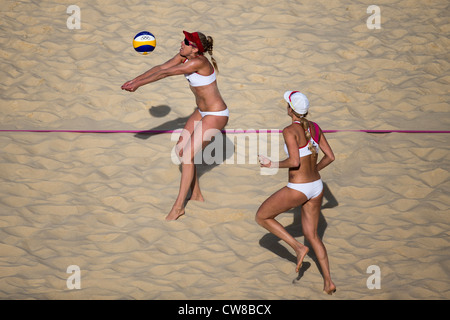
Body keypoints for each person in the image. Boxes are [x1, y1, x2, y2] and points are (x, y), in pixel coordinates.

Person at [122, 31, 228, 220]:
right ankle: (196, 194)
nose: (182, 42)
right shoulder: (184, 56)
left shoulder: (199, 62)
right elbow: (160, 67)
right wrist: (135, 80)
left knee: (188, 155)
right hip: (201, 111)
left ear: (195, 49)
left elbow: (165, 74)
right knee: (181, 151)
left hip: (216, 114)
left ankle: (178, 207)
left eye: (186, 42)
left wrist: (139, 85)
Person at [256, 91, 336, 294]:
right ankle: (329, 282)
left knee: (262, 216)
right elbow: (330, 156)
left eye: (287, 104)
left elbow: (294, 161)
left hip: (299, 188)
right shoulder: (315, 127)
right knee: (313, 236)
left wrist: (271, 164)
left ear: (291, 109)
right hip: (316, 187)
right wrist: (313, 171)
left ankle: (298, 247)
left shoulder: (289, 130)